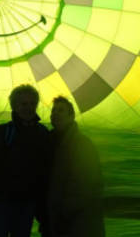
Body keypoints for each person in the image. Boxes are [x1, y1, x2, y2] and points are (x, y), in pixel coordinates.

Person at [0, 84, 50, 236]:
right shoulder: (0, 133)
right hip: (1, 203)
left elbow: (45, 172)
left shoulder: (42, 133)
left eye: (32, 104)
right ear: (14, 106)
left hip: (27, 204)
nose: (28, 108)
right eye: (23, 104)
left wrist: (43, 206)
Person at [45, 96, 104, 236]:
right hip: (57, 219)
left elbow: (90, 184)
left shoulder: (82, 144)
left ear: (71, 116)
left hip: (79, 222)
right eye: (53, 111)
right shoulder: (49, 143)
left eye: (61, 110)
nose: (55, 114)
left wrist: (66, 209)